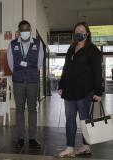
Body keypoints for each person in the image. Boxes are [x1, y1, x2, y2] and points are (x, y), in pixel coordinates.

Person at [56, 22, 102, 158]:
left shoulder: (93, 50)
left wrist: (98, 92)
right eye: (77, 31)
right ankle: (69, 147)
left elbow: (97, 72)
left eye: (82, 31)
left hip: (84, 91)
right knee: (69, 119)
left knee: (84, 120)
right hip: (69, 92)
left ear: (87, 33)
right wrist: (61, 86)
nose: (79, 33)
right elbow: (66, 69)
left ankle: (86, 146)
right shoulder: (71, 49)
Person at [7, 20, 44, 149]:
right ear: (19, 31)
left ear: (30, 30)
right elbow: (11, 63)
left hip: (33, 81)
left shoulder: (38, 44)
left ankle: (33, 138)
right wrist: (20, 74)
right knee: (19, 110)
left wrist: (29, 73)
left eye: (27, 29)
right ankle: (20, 138)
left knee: (33, 109)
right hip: (18, 82)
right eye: (22, 30)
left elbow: (39, 63)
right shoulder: (12, 44)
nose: (25, 32)